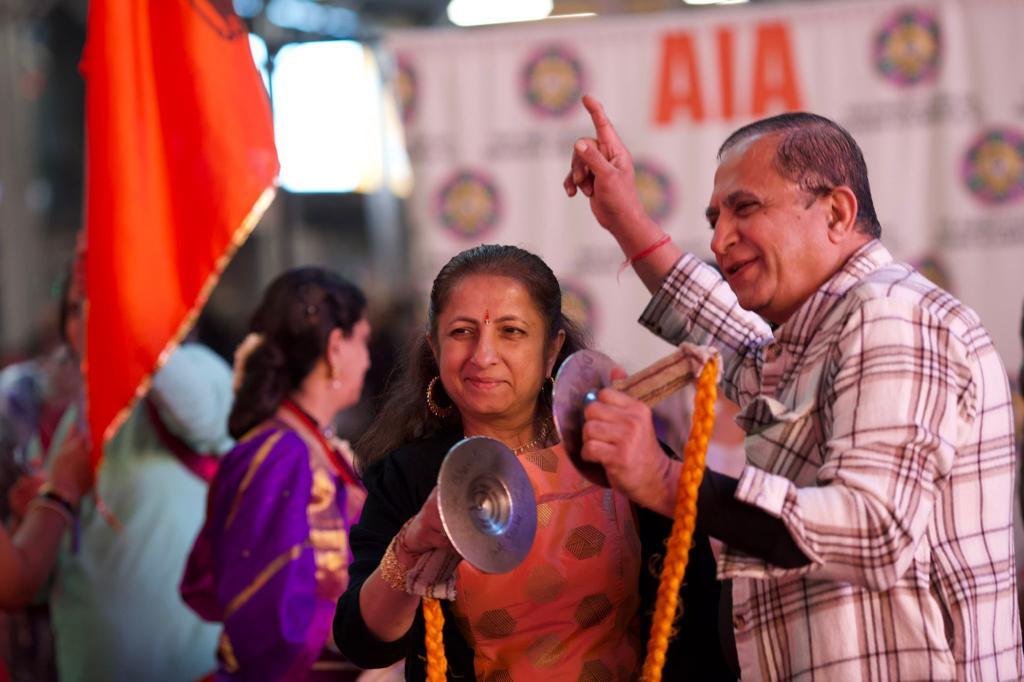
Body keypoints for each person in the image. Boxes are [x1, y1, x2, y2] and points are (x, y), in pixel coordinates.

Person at [564, 95, 1024, 679]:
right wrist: (625, 217)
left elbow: (872, 527)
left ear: (836, 213)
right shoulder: (829, 327)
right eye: (714, 220)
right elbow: (733, 340)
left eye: (745, 208)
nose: (719, 240)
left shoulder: (891, 315)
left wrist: (665, 480)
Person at [333, 244, 731, 680]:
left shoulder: (614, 452)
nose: (483, 355)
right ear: (435, 346)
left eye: (511, 331)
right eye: (462, 332)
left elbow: (699, 620)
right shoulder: (410, 477)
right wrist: (412, 548)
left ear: (551, 351)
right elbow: (363, 641)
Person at [182, 267, 372, 681]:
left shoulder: (307, 443)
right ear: (335, 347)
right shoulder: (281, 453)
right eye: (362, 341)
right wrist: (374, 629)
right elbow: (269, 614)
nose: (368, 360)